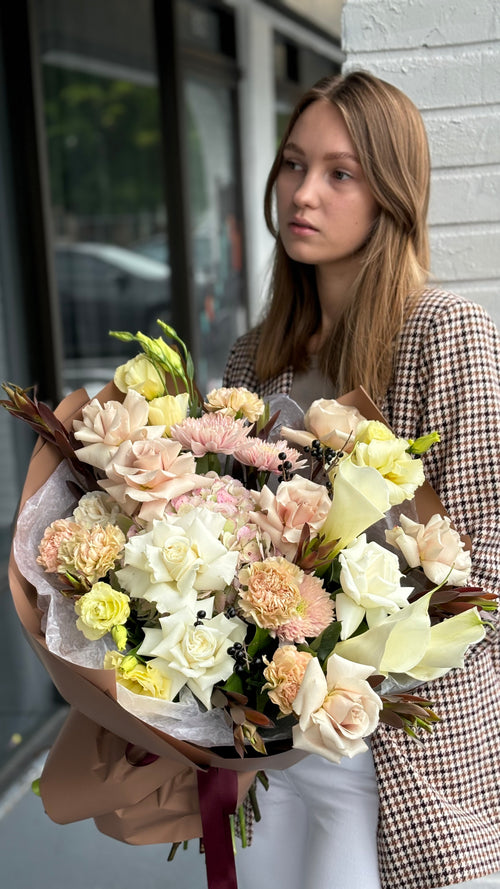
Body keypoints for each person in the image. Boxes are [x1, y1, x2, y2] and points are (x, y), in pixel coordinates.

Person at [223, 70, 500, 889]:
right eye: (292, 164)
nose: (304, 193)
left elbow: (487, 572)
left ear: (392, 195)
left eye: (340, 173)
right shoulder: (253, 357)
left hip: (396, 757)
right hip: (270, 750)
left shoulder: (446, 336)